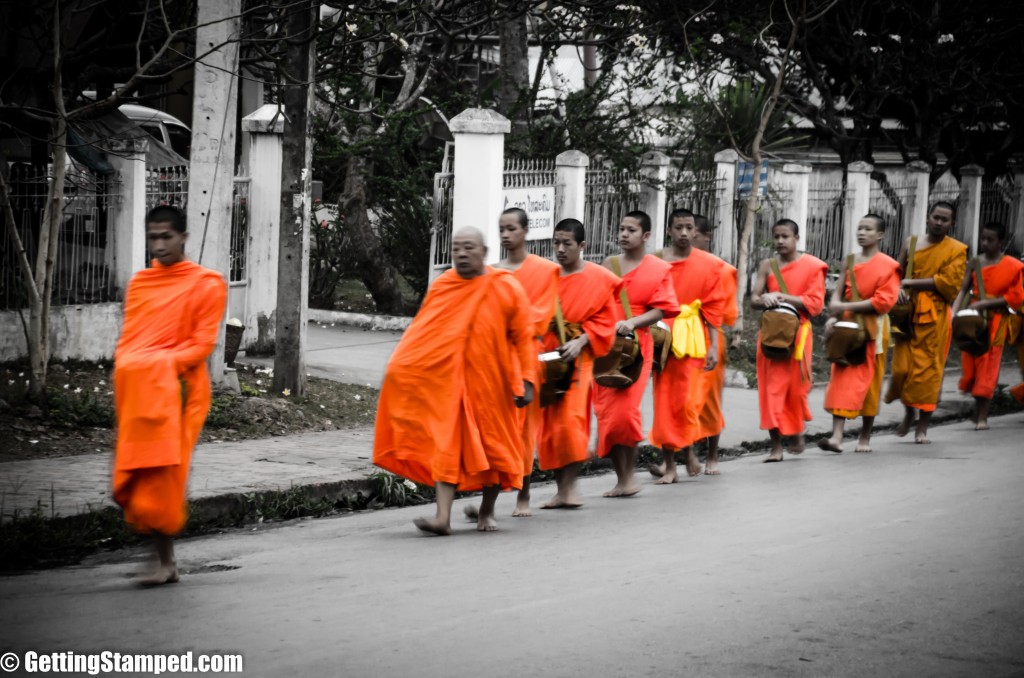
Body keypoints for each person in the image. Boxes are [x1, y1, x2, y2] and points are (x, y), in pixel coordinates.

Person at [373, 227, 535, 535]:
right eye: (456, 248)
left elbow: (524, 337)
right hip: (451, 384)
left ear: (484, 252)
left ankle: (487, 510)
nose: (461, 254)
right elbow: (422, 333)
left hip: (494, 384)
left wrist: (527, 381)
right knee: (446, 444)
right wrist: (400, 370)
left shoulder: (506, 287)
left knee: (495, 451)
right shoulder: (444, 285)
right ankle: (442, 517)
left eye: (468, 248)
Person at [112, 205, 227, 585]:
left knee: (165, 476)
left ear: (183, 237)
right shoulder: (141, 283)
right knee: (142, 473)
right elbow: (130, 341)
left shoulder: (206, 284)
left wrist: (157, 364)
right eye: (153, 237)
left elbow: (201, 346)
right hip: (142, 391)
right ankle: (163, 561)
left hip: (181, 391)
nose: (159, 245)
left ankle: (164, 561)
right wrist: (132, 365)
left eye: (166, 237)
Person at [464, 208, 559, 519]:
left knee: (524, 431)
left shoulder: (546, 270)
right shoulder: (491, 271)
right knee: (492, 430)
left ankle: (524, 495)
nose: (506, 235)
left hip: (525, 357)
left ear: (525, 231)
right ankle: (486, 499)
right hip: (493, 361)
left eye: (512, 229)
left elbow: (540, 318)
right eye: (501, 229)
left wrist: (508, 324)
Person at [593, 211, 679, 497]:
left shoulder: (657, 268)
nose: (624, 234)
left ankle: (628, 476)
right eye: (621, 228)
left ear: (645, 236)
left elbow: (663, 308)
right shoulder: (609, 264)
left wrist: (632, 322)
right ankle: (622, 479)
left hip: (637, 348)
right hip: (607, 347)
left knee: (626, 413)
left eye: (631, 230)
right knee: (607, 414)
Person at [538, 218, 620, 508]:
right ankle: (561, 489)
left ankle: (570, 488)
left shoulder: (598, 278)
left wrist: (582, 340)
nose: (560, 249)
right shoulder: (546, 277)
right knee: (549, 427)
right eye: (556, 243)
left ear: (582, 246)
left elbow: (607, 322)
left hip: (579, 357)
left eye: (567, 244)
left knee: (571, 422)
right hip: (549, 357)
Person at [649, 209, 726, 483]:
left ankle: (688, 449)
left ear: (695, 231)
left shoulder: (709, 264)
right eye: (678, 227)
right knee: (666, 404)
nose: (684, 232)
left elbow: (714, 310)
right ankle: (670, 465)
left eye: (689, 227)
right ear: (669, 230)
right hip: (663, 338)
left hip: (695, 339)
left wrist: (715, 346)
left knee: (689, 403)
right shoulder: (655, 261)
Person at [885, 202, 967, 444]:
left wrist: (910, 284)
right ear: (928, 217)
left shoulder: (957, 249)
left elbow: (949, 283)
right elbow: (896, 274)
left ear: (952, 224)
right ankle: (909, 411)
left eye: (945, 220)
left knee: (929, 373)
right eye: (936, 217)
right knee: (901, 370)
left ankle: (922, 427)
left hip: (936, 316)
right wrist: (897, 288)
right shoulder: (911, 242)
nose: (939, 223)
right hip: (907, 313)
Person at [818, 214, 900, 453]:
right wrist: (834, 314)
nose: (862, 233)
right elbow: (838, 293)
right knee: (840, 379)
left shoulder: (889, 265)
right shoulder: (850, 260)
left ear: (880, 235)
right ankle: (836, 437)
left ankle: (865, 437)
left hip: (873, 329)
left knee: (871, 383)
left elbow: (883, 303)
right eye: (859, 228)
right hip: (846, 328)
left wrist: (844, 308)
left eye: (868, 229)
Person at [751, 218, 828, 462]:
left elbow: (815, 305)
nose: (780, 241)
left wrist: (782, 295)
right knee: (770, 390)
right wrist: (765, 299)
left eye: (785, 236)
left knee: (797, 388)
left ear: (797, 238)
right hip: (771, 333)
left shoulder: (813, 266)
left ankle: (795, 430)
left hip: (798, 335)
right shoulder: (767, 265)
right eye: (776, 236)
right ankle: (776, 446)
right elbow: (753, 298)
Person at [952, 221, 1024, 430]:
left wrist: (987, 303)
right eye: (983, 238)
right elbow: (964, 289)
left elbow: (1016, 297)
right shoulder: (975, 262)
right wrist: (953, 312)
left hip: (996, 322)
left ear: (1000, 242)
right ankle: (978, 409)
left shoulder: (1013, 266)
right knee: (971, 367)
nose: (984, 243)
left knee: (988, 368)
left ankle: (982, 415)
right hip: (972, 321)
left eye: (990, 240)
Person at [691, 214, 737, 475]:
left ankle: (712, 456)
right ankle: (682, 454)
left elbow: (727, 315)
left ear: (705, 236)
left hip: (709, 337)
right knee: (681, 399)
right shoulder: (672, 264)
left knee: (709, 400)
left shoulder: (720, 268)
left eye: (692, 231)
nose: (686, 236)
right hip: (681, 338)